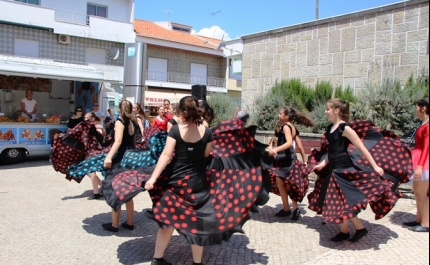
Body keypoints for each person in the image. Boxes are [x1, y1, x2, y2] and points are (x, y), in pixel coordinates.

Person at [144, 96, 269, 265]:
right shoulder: (207, 132)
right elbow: (205, 155)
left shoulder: (175, 130)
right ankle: (197, 262)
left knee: (167, 221)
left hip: (176, 182)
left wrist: (153, 178)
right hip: (197, 183)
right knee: (197, 223)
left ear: (182, 112)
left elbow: (166, 155)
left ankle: (157, 259)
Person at [308, 98, 412, 243]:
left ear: (337, 110)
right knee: (340, 202)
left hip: (345, 170)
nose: (325, 111)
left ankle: (357, 229)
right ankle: (348, 231)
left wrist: (375, 166)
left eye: (328, 109)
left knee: (344, 202)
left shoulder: (345, 128)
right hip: (335, 169)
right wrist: (322, 164)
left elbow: (361, 148)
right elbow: (332, 152)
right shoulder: (330, 128)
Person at [266, 107, 314, 220]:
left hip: (286, 160)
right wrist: (304, 160)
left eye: (280, 113)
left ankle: (288, 209)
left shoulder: (287, 127)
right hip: (287, 159)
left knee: (284, 182)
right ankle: (291, 208)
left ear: (287, 116)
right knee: (285, 182)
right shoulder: (291, 127)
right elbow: (299, 146)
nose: (278, 115)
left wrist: (275, 150)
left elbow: (288, 143)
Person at [403, 98, 429, 233]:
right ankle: (419, 219)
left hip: (424, 162)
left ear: (423, 108)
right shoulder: (423, 124)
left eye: (417, 107)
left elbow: (426, 146)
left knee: (422, 193)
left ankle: (426, 223)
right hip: (420, 159)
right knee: (418, 193)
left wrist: (420, 166)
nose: (415, 110)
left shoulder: (428, 125)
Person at [84, 112, 106, 200]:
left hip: (93, 152)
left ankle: (96, 193)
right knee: (88, 171)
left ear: (92, 118)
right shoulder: (85, 127)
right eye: (85, 118)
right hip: (88, 151)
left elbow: (103, 134)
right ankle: (104, 187)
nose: (86, 119)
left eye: (88, 117)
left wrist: (100, 128)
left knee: (91, 172)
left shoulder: (96, 127)